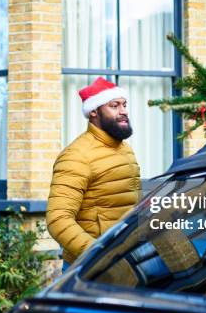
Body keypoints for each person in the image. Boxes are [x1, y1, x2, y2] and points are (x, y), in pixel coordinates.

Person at [46, 77, 141, 272]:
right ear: (94, 111)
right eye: (114, 106)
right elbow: (58, 219)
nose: (123, 111)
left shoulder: (126, 151)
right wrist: (98, 254)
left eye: (124, 105)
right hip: (89, 269)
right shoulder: (77, 156)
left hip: (126, 262)